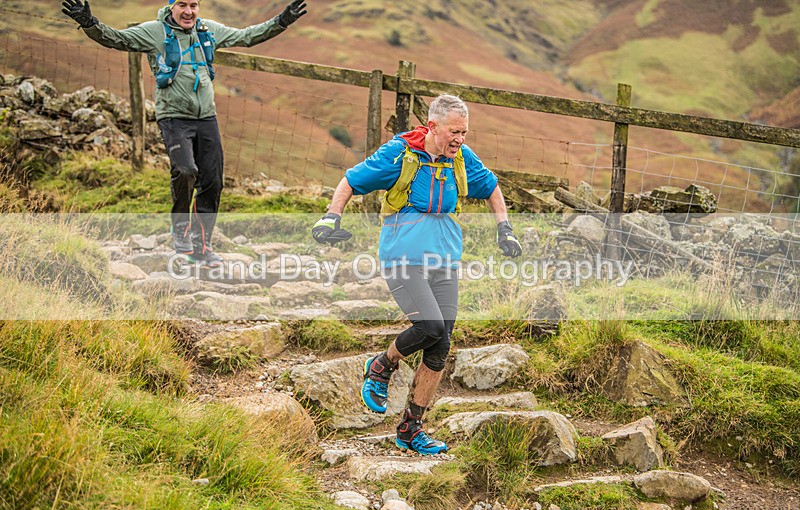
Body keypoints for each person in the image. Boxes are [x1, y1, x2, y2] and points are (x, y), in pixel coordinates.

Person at [312, 94, 522, 455]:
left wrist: (505, 230)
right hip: (403, 257)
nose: (460, 139)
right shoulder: (400, 154)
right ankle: (381, 366)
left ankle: (411, 428)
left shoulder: (461, 158)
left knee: (441, 345)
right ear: (433, 126)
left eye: (465, 132)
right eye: (454, 132)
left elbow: (492, 188)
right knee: (430, 326)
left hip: (445, 259)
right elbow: (350, 180)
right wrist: (332, 217)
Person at [61, 0, 307, 266]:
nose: (189, 11)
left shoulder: (208, 30)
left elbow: (247, 36)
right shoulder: (154, 31)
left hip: (207, 117)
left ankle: (202, 246)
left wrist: (281, 21)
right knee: (186, 170)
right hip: (173, 117)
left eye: (193, 5)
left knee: (212, 181)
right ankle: (180, 229)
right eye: (182, 5)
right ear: (171, 8)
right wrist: (89, 24)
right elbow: (117, 39)